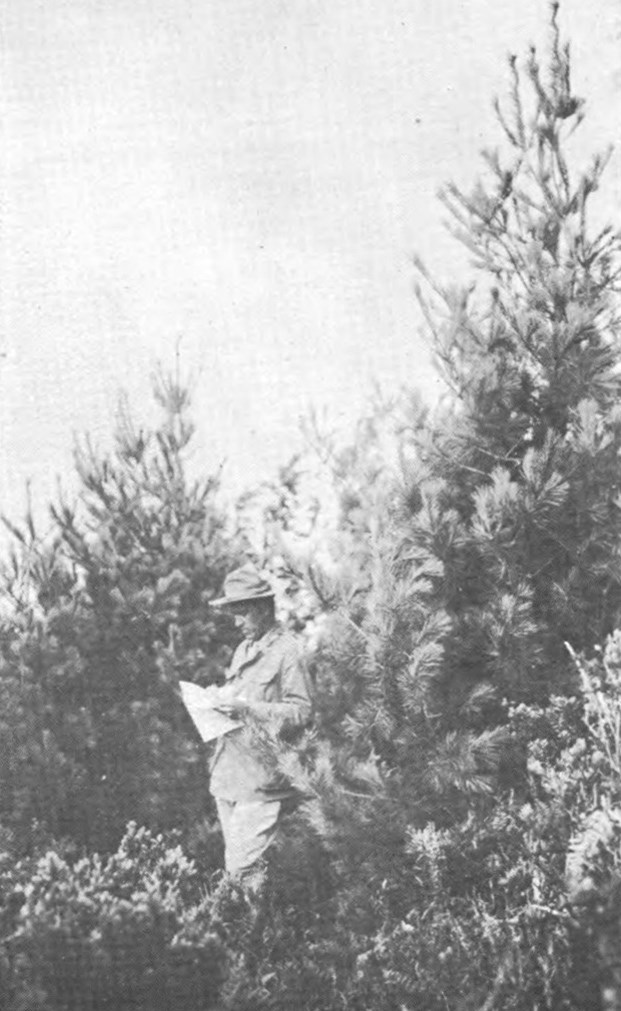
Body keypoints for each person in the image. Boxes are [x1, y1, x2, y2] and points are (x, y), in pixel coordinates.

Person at [208, 563, 312, 888]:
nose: (236, 623)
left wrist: (246, 708)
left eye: (242, 614)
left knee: (239, 870)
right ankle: (257, 932)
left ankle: (250, 935)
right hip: (229, 776)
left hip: (264, 780)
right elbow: (241, 699)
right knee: (243, 873)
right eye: (233, 614)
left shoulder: (289, 651)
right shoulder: (244, 650)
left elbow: (302, 712)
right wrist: (219, 700)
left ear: (263, 609)